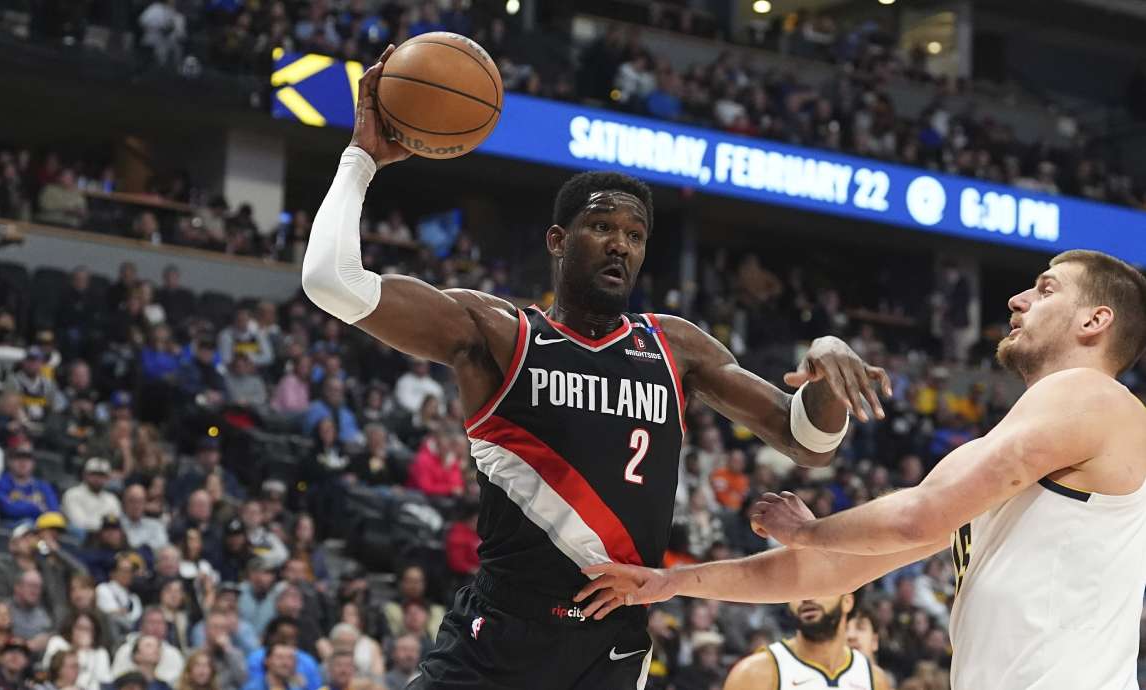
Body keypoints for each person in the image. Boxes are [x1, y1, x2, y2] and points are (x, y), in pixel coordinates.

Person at [301, 46, 886, 689]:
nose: (620, 244)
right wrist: (361, 160)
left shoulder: (675, 345)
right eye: (601, 227)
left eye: (634, 236)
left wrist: (828, 365)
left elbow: (807, 441)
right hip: (497, 640)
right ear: (557, 241)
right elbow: (332, 281)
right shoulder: (498, 333)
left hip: (608, 652)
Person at [575, 250, 1146, 690]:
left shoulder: (1094, 395)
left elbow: (917, 519)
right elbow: (828, 573)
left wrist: (807, 530)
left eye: (1045, 290)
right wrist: (672, 584)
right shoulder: (1006, 456)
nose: (1017, 300)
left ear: (1095, 320)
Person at [721, 593, 888, 689]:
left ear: (847, 601)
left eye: (820, 585)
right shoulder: (753, 674)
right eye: (798, 588)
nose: (807, 596)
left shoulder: (875, 679)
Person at [39, 614, 111, 690]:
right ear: (71, 627)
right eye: (80, 628)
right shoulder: (57, 642)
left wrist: (85, 651)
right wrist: (80, 650)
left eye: (88, 629)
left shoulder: (100, 653)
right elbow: (48, 669)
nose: (83, 632)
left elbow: (106, 684)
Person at [63, 458, 123, 531]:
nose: (97, 478)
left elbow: (114, 525)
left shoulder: (112, 500)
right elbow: (79, 523)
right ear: (84, 474)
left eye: (102, 475)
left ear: (108, 478)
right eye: (94, 474)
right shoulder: (72, 494)